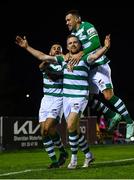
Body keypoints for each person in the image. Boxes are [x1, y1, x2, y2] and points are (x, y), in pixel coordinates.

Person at [16, 34, 111, 169]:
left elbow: (95, 56)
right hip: (66, 97)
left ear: (79, 45)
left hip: (79, 96)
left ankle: (73, 158)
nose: (73, 44)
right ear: (67, 47)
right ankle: (88, 155)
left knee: (70, 126)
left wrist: (106, 47)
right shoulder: (62, 60)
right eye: (70, 43)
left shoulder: (84, 57)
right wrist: (27, 47)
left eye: (75, 42)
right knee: (74, 130)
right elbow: (42, 57)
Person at [65, 9, 134, 141]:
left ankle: (130, 121)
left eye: (69, 20)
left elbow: (97, 43)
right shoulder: (73, 34)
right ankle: (112, 115)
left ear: (77, 19)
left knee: (108, 96)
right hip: (88, 68)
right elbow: (74, 50)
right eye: (66, 21)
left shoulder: (87, 26)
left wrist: (81, 53)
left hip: (99, 64)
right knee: (88, 99)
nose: (67, 22)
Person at [15, 36, 68, 168]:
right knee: (43, 132)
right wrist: (43, 60)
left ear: (62, 52)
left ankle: (62, 151)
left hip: (58, 99)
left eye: (59, 48)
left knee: (48, 127)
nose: (56, 50)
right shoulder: (46, 63)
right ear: (49, 52)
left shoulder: (64, 64)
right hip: (46, 100)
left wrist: (60, 59)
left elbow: (54, 75)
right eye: (54, 48)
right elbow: (40, 64)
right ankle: (55, 161)